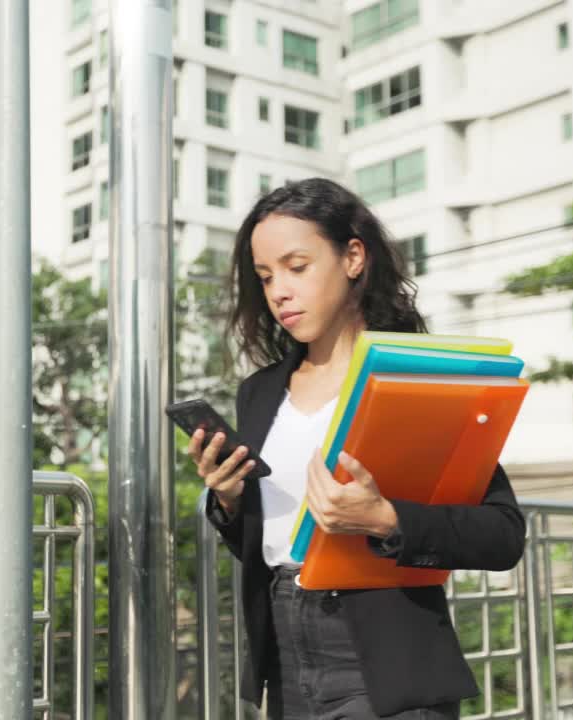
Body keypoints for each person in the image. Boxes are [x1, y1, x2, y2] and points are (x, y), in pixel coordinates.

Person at [190, 178, 526, 719]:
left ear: (352, 257)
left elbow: (503, 534)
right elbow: (270, 540)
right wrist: (229, 501)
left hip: (382, 655)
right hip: (286, 652)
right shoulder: (259, 392)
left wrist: (386, 519)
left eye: (296, 267)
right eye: (265, 276)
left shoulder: (414, 376)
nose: (279, 291)